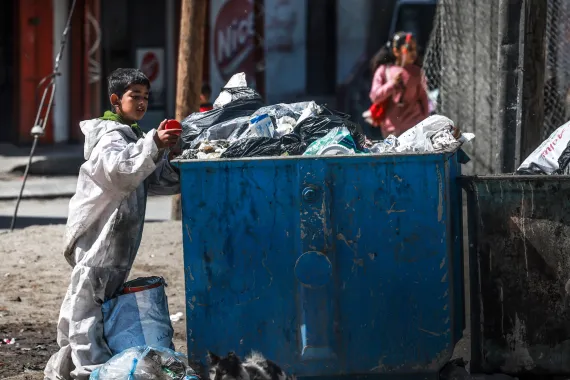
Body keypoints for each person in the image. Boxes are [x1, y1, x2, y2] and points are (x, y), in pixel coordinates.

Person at [44, 68, 181, 380]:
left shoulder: (130, 137)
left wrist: (168, 152)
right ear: (116, 100)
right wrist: (153, 143)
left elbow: (152, 178)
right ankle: (89, 370)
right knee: (85, 307)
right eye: (135, 96)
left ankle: (72, 368)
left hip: (117, 243)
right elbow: (120, 172)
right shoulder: (109, 137)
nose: (143, 102)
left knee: (95, 307)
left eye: (146, 97)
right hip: (99, 238)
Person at [367, 32, 429, 138]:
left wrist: (425, 120)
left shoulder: (417, 73)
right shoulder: (383, 71)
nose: (413, 53)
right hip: (391, 131)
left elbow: (424, 100)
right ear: (396, 51)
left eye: (415, 49)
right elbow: (375, 97)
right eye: (409, 49)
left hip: (415, 129)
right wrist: (392, 84)